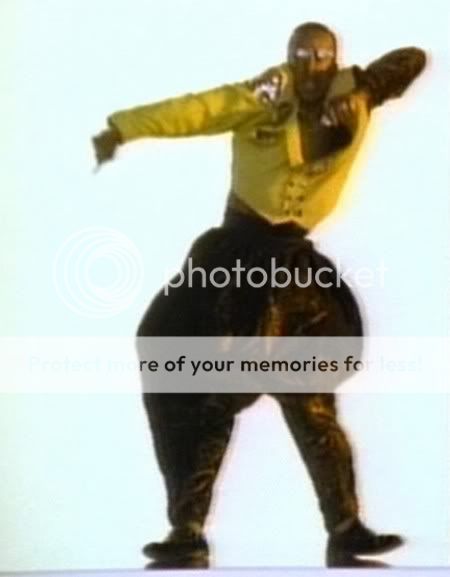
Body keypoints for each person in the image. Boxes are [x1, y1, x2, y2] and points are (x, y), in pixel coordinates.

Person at [92, 22, 426, 568]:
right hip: (235, 260)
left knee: (313, 403)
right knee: (203, 389)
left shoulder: (354, 93)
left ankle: (346, 528)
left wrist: (365, 91)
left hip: (294, 270)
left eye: (321, 58)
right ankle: (187, 530)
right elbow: (197, 110)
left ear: (334, 61)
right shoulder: (264, 96)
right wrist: (122, 127)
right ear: (289, 59)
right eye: (302, 57)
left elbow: (411, 59)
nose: (311, 68)